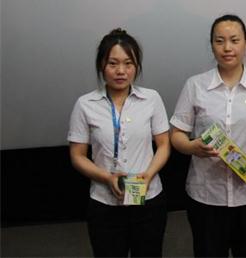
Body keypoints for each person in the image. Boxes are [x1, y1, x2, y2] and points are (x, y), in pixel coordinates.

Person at [170, 14, 246, 258]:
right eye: (220, 41)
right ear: (212, 45)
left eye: (234, 40)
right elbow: (176, 134)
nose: (227, 47)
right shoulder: (195, 85)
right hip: (207, 195)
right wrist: (192, 147)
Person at [68, 28, 171, 257]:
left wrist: (148, 175)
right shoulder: (85, 104)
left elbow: (164, 145)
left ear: (137, 66)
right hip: (104, 202)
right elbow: (77, 155)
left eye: (128, 63)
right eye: (113, 63)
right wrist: (107, 177)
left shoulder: (151, 99)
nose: (121, 71)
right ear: (101, 66)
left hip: (148, 199)